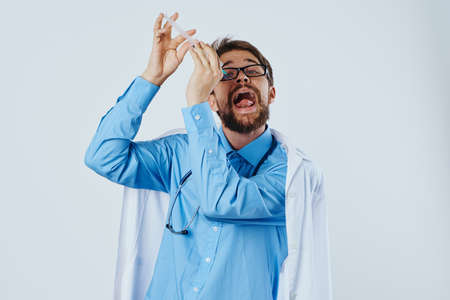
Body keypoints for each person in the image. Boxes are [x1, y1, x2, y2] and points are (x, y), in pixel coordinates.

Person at [85, 12, 332, 300]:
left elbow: (222, 202)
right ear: (213, 97)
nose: (242, 78)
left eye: (253, 70)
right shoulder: (179, 152)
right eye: (225, 73)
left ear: (272, 93)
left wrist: (196, 105)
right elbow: (104, 156)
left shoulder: (293, 177)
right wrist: (152, 78)